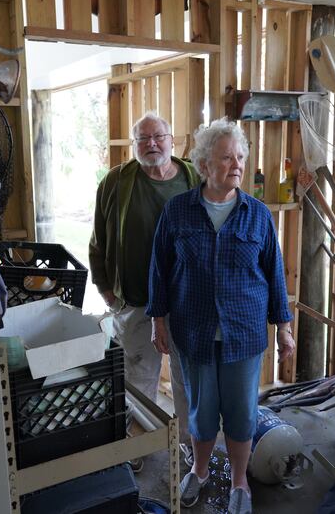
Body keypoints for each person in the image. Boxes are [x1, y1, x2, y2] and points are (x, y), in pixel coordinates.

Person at [146, 117, 294, 513]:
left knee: (242, 411)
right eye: (226, 157)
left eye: (240, 156)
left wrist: (284, 328)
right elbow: (159, 270)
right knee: (202, 410)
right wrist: (157, 320)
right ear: (205, 165)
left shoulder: (258, 215)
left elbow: (274, 274)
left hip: (244, 334)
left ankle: (240, 482)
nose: (237, 164)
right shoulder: (177, 212)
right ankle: (200, 470)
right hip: (193, 331)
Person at [89, 112, 201, 469]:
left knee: (187, 382)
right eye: (143, 139)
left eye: (159, 136)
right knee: (137, 378)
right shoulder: (116, 182)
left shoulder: (192, 177)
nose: (152, 144)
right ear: (134, 145)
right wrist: (106, 289)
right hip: (135, 300)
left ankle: (187, 445)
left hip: (186, 303)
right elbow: (98, 240)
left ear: (172, 139)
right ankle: (137, 447)